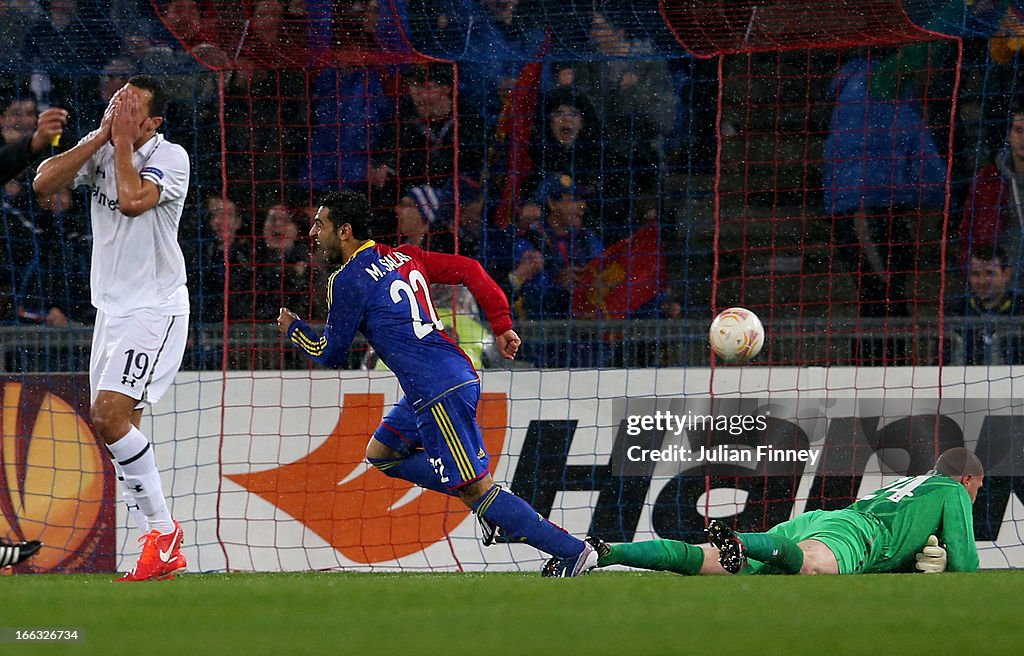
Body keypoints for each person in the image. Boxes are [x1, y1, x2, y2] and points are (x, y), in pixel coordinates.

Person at [277, 190, 598, 577]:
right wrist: (501, 323)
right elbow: (471, 270)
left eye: (320, 224)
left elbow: (328, 352)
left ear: (344, 232)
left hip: (437, 391)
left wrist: (294, 329)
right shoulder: (405, 256)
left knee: (476, 491)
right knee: (382, 453)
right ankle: (490, 499)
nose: (313, 231)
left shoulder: (347, 279)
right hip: (442, 380)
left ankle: (570, 550)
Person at [33, 76, 190, 582]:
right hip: (112, 311)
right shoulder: (103, 146)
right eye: (115, 102)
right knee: (120, 426)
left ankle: (164, 535)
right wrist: (101, 138)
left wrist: (118, 143)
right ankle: (158, 547)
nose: (118, 111)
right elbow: (43, 183)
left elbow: (131, 200)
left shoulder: (172, 158)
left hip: (156, 308)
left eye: (130, 108)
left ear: (153, 122)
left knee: (107, 415)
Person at [593, 447, 983, 576]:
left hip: (825, 519)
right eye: (978, 487)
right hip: (858, 534)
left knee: (707, 561)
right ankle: (741, 540)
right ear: (966, 478)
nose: (975, 495)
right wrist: (949, 563)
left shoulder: (916, 483)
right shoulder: (952, 490)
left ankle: (608, 553)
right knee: (811, 566)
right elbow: (966, 565)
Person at [958, 104, 1024, 269]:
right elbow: (968, 232)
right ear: (1009, 135)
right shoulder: (988, 179)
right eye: (1019, 130)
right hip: (999, 281)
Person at [945, 244, 1024, 365]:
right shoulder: (957, 309)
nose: (982, 281)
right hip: (967, 378)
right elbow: (942, 358)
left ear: (1007, 274)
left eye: (990, 273)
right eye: (976, 274)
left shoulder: (1020, 306)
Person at [0, 96, 68, 184]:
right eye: (16, 114)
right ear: (1, 119)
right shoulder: (37, 144)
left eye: (29, 114)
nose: (23, 120)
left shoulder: (52, 149)